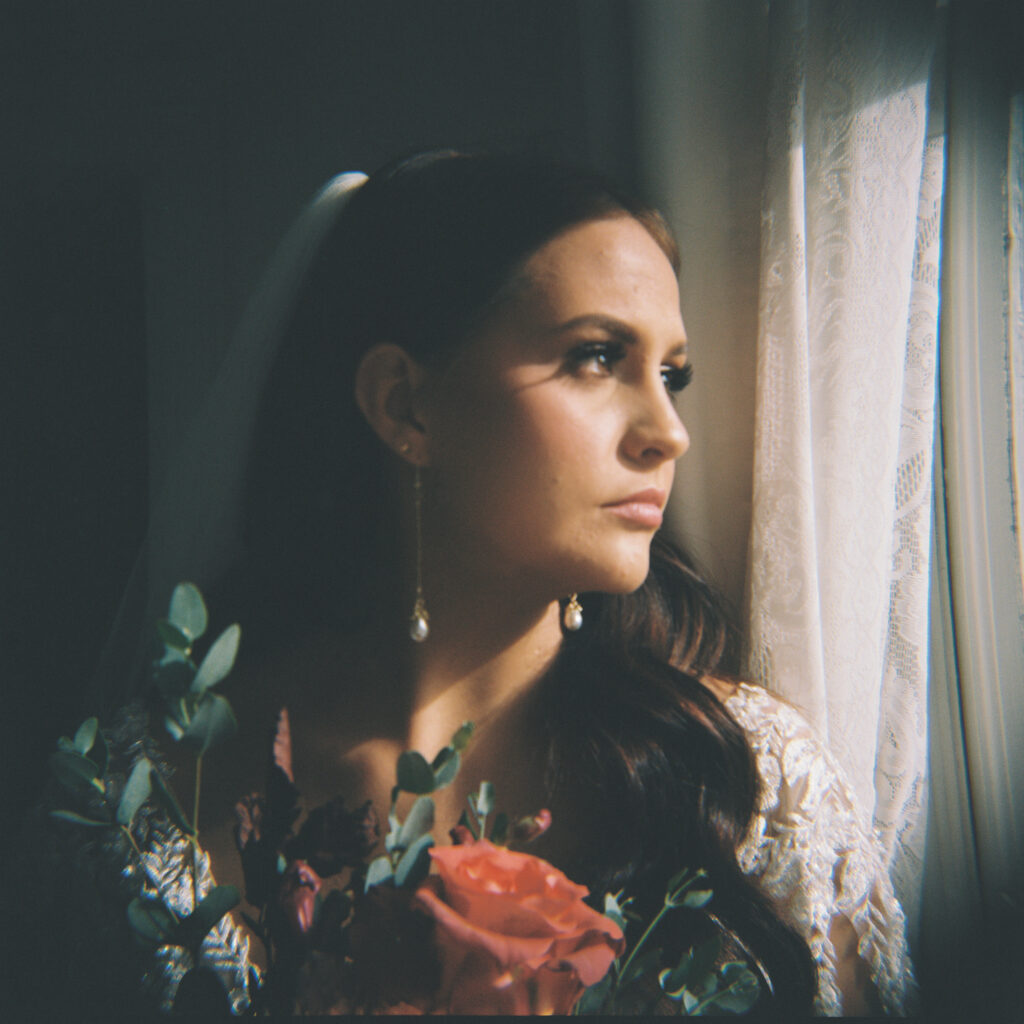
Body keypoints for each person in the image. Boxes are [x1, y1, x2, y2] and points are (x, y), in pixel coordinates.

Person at [21, 151, 915, 1016]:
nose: (668, 431)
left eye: (671, 374)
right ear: (406, 404)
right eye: (598, 357)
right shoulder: (154, 799)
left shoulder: (745, 782)